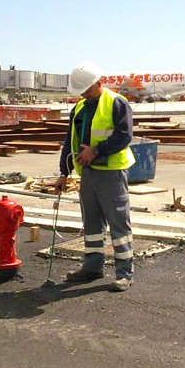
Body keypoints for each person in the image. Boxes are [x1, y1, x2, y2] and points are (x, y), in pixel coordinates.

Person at [57, 62, 137, 292]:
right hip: (88, 174)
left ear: (98, 83)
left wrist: (96, 150)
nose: (83, 94)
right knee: (91, 224)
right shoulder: (80, 108)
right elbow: (69, 142)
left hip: (111, 172)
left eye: (87, 90)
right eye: (81, 91)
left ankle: (124, 273)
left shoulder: (116, 103)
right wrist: (64, 172)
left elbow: (124, 136)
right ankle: (92, 267)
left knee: (118, 224)